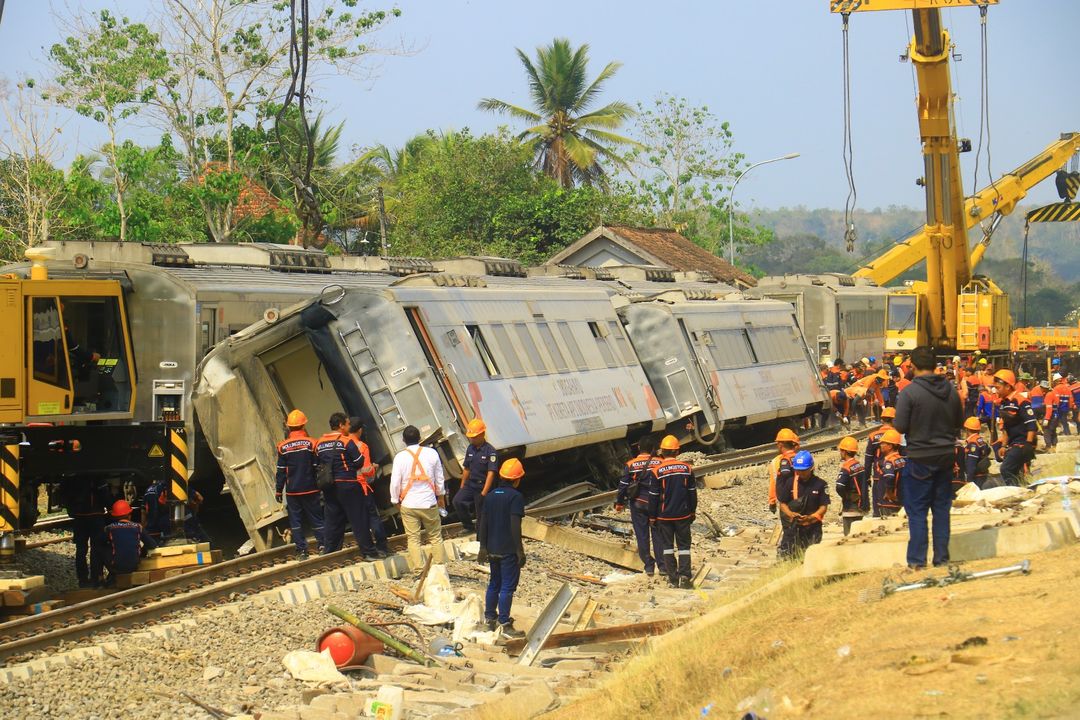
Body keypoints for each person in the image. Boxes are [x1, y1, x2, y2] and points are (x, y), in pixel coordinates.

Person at [894, 346, 963, 569]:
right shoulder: (951, 390)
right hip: (945, 456)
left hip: (919, 458)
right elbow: (958, 422)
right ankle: (941, 558)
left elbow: (900, 426)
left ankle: (917, 561)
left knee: (917, 510)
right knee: (941, 508)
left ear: (912, 366)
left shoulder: (909, 393)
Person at [477, 458, 527, 640]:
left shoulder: (490, 496)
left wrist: (483, 547)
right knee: (507, 587)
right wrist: (519, 551)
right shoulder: (515, 497)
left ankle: (490, 619)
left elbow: (483, 523)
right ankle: (504, 623)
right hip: (508, 550)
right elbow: (515, 525)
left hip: (492, 549)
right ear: (517, 479)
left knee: (494, 583)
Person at [317, 412, 377, 558]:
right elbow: (359, 462)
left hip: (329, 487)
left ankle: (330, 553)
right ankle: (368, 552)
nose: (349, 426)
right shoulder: (346, 441)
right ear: (340, 425)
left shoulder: (319, 443)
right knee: (358, 519)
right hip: (348, 484)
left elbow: (317, 463)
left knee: (333, 521)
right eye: (347, 424)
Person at [390, 425, 448, 571]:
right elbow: (439, 478)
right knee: (435, 536)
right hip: (428, 502)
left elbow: (395, 482)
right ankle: (440, 568)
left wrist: (395, 500)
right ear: (420, 438)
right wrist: (440, 496)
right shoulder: (432, 453)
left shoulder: (399, 457)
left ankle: (419, 571)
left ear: (403, 440)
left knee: (413, 538)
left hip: (408, 504)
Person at [646, 435, 696, 589]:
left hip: (664, 516)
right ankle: (685, 576)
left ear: (662, 452)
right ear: (677, 451)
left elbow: (653, 497)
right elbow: (692, 493)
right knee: (684, 546)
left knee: (667, 546)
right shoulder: (687, 469)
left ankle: (673, 578)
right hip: (683, 514)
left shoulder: (656, 472)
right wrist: (692, 511)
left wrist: (652, 517)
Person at [275, 409, 325, 560]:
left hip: (292, 492)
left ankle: (302, 551)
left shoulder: (282, 447)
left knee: (295, 522)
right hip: (311, 489)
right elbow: (318, 466)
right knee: (317, 518)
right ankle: (323, 545)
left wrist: (278, 490)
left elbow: (281, 471)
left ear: (288, 427)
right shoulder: (312, 443)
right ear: (303, 425)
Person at [615, 435, 663, 576]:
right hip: (657, 505)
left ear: (638, 448)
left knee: (642, 536)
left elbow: (622, 486)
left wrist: (619, 503)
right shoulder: (660, 463)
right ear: (653, 449)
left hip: (638, 504)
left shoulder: (631, 465)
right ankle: (663, 566)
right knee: (658, 535)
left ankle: (649, 566)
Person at [776, 450, 830, 558]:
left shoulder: (820, 485)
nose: (801, 473)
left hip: (813, 528)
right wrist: (791, 514)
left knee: (811, 557)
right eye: (798, 470)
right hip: (794, 528)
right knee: (788, 556)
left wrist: (811, 518)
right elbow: (783, 504)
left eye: (804, 471)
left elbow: (823, 506)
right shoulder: (790, 483)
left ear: (811, 468)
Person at [348, 418, 389, 557]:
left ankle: (367, 550)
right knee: (373, 517)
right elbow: (366, 470)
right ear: (359, 430)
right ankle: (382, 547)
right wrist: (374, 467)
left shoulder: (342, 443)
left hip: (348, 488)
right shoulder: (361, 446)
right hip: (362, 487)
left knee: (358, 519)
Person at [994, 369, 1038, 486]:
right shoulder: (1004, 403)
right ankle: (1023, 493)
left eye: (998, 387)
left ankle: (1016, 493)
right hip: (1013, 444)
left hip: (1023, 443)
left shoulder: (1021, 401)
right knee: (1016, 473)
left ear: (1008, 387)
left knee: (1006, 469)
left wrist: (1028, 444)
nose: (996, 390)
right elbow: (1006, 428)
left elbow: (1031, 424)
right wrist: (1003, 445)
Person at [453, 419, 498, 533]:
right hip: (470, 484)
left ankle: (481, 535)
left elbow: (491, 473)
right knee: (457, 501)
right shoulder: (470, 448)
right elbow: (467, 468)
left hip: (482, 486)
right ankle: (468, 526)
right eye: (471, 437)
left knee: (481, 515)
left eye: (474, 436)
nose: (472, 439)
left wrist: (484, 492)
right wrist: (462, 485)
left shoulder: (490, 451)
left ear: (482, 434)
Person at [65, 478, 110, 588]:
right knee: (96, 548)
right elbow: (105, 496)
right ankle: (96, 577)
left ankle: (83, 579)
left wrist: (72, 510)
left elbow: (66, 496)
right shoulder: (98, 477)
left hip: (79, 517)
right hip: (96, 515)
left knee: (81, 550)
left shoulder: (73, 477)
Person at [103, 499, 156, 582]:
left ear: (114, 516)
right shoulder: (138, 527)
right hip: (134, 566)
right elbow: (152, 545)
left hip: (116, 567)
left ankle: (101, 577)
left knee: (100, 547)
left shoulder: (109, 528)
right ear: (129, 515)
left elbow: (100, 544)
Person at [834, 437, 867, 536]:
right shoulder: (859, 466)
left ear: (844, 452)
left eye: (841, 450)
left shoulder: (846, 468)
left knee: (849, 538)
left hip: (850, 510)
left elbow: (839, 486)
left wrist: (847, 496)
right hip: (860, 507)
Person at [874, 429, 906, 517]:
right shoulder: (901, 460)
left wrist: (889, 492)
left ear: (890, 446)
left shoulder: (889, 461)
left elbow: (889, 477)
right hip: (900, 501)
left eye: (883, 443)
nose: (881, 445)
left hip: (888, 503)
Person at [768, 429, 800, 514]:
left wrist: (772, 502)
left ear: (780, 444)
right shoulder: (802, 458)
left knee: (789, 526)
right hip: (803, 499)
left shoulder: (776, 461)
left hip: (786, 502)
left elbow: (774, 482)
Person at [962, 416, 991, 488]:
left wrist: (969, 481)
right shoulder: (980, 440)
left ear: (967, 429)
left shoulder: (973, 444)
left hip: (977, 478)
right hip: (984, 475)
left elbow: (971, 464)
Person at [142, 478, 171, 544]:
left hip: (151, 530)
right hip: (164, 528)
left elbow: (143, 511)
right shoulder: (165, 488)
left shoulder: (148, 490)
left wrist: (143, 529)